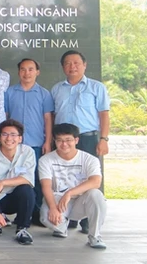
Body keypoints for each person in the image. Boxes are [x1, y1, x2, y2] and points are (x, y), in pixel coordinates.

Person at [51, 50, 110, 233]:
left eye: (76, 63)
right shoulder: (57, 89)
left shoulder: (96, 87)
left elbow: (104, 114)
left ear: (84, 65)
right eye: (68, 63)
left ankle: (88, 220)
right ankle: (68, 217)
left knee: (88, 177)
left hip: (87, 138)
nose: (72, 66)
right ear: (63, 67)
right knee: (64, 177)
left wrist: (104, 139)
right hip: (62, 140)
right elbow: (52, 115)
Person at [38, 123, 108, 249]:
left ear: (76, 140)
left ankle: (95, 236)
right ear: (54, 141)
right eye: (60, 140)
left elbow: (96, 182)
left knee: (96, 194)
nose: (64, 144)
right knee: (46, 217)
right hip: (58, 200)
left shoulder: (89, 159)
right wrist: (53, 208)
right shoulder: (46, 160)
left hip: (81, 201)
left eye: (68, 140)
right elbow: (46, 186)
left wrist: (69, 193)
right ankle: (61, 227)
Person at [4, 58, 54, 224]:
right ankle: (21, 213)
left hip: (35, 144)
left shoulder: (44, 94)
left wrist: (47, 141)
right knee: (17, 178)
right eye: (23, 69)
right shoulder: (9, 92)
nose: (27, 73)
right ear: (18, 72)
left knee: (37, 179)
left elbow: (47, 119)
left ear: (37, 72)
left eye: (31, 69)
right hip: (14, 146)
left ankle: (36, 213)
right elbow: (6, 117)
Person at [0, 119, 37, 245]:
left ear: (20, 138)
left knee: (27, 190)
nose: (9, 138)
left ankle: (22, 228)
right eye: (5, 134)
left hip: (15, 196)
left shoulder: (27, 152)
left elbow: (27, 178)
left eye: (13, 135)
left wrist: (3, 182)